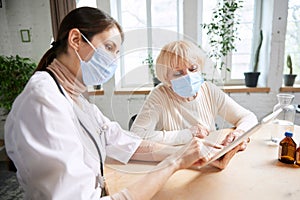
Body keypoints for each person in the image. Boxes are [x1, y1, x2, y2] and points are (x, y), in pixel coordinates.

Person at [5, 7, 242, 200]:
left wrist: (195, 154)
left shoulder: (78, 101)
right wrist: (175, 162)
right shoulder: (43, 101)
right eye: (108, 48)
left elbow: (127, 143)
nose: (112, 60)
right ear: (76, 39)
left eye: (117, 52)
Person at [130, 40, 258, 146]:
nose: (188, 76)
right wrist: (189, 134)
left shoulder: (209, 90)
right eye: (178, 73)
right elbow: (137, 135)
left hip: (209, 157)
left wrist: (240, 132)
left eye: (193, 69)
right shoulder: (160, 95)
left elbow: (248, 117)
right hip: (177, 161)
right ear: (166, 78)